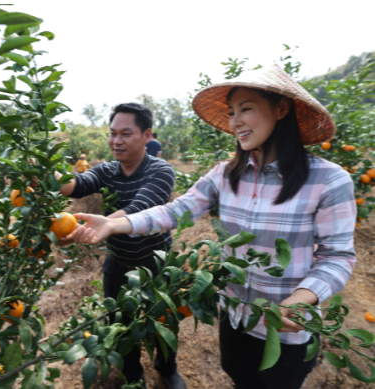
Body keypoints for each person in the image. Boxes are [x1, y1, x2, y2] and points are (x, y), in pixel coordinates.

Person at [66, 64, 356, 389]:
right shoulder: (225, 174)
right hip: (234, 316)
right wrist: (114, 224)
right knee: (237, 375)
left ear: (281, 109)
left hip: (284, 328)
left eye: (246, 109)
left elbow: (337, 257)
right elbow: (176, 211)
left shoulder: (328, 180)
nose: (235, 122)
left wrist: (301, 299)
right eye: (232, 113)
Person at [58, 103, 186, 389]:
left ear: (147, 135)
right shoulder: (106, 171)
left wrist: (104, 225)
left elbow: (141, 207)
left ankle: (167, 369)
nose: (116, 141)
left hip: (156, 264)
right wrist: (45, 174)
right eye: (113, 133)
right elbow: (77, 185)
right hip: (118, 264)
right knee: (121, 323)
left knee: (163, 322)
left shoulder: (161, 171)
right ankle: (132, 376)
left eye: (126, 134)